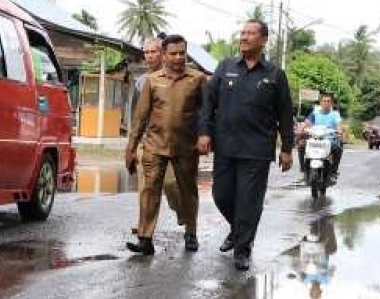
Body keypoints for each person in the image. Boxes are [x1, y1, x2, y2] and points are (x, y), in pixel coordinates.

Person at [198, 19, 294, 271]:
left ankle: (242, 249)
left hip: (257, 150)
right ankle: (239, 229)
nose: (244, 37)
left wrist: (286, 148)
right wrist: (204, 132)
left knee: (248, 201)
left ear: (263, 40)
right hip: (226, 146)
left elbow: (285, 114)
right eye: (242, 33)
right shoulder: (225, 67)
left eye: (250, 34)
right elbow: (209, 103)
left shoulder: (275, 74)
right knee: (221, 195)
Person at [125, 34, 207, 255]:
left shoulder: (198, 79)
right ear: (164, 54)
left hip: (186, 147)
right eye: (173, 53)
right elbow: (140, 117)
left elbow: (206, 114)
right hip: (154, 145)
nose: (178, 57)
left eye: (182, 53)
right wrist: (131, 148)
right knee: (149, 190)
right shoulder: (153, 81)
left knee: (187, 190)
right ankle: (145, 238)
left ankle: (191, 232)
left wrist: (205, 136)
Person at [129, 37, 185, 235]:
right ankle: (144, 226)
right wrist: (132, 146)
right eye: (146, 52)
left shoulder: (175, 79)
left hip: (171, 142)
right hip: (148, 142)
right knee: (147, 188)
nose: (149, 56)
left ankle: (182, 210)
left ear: (163, 54)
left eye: (154, 52)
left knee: (171, 184)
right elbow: (135, 116)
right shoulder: (140, 83)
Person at [305, 94, 343, 183]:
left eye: (328, 101)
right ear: (320, 103)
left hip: (329, 140)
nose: (326, 103)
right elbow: (307, 123)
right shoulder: (314, 113)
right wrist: (302, 130)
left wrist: (339, 132)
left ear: (332, 103)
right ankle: (304, 172)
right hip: (314, 140)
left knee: (338, 149)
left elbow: (339, 126)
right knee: (302, 146)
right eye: (324, 101)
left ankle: (333, 172)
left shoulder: (335, 114)